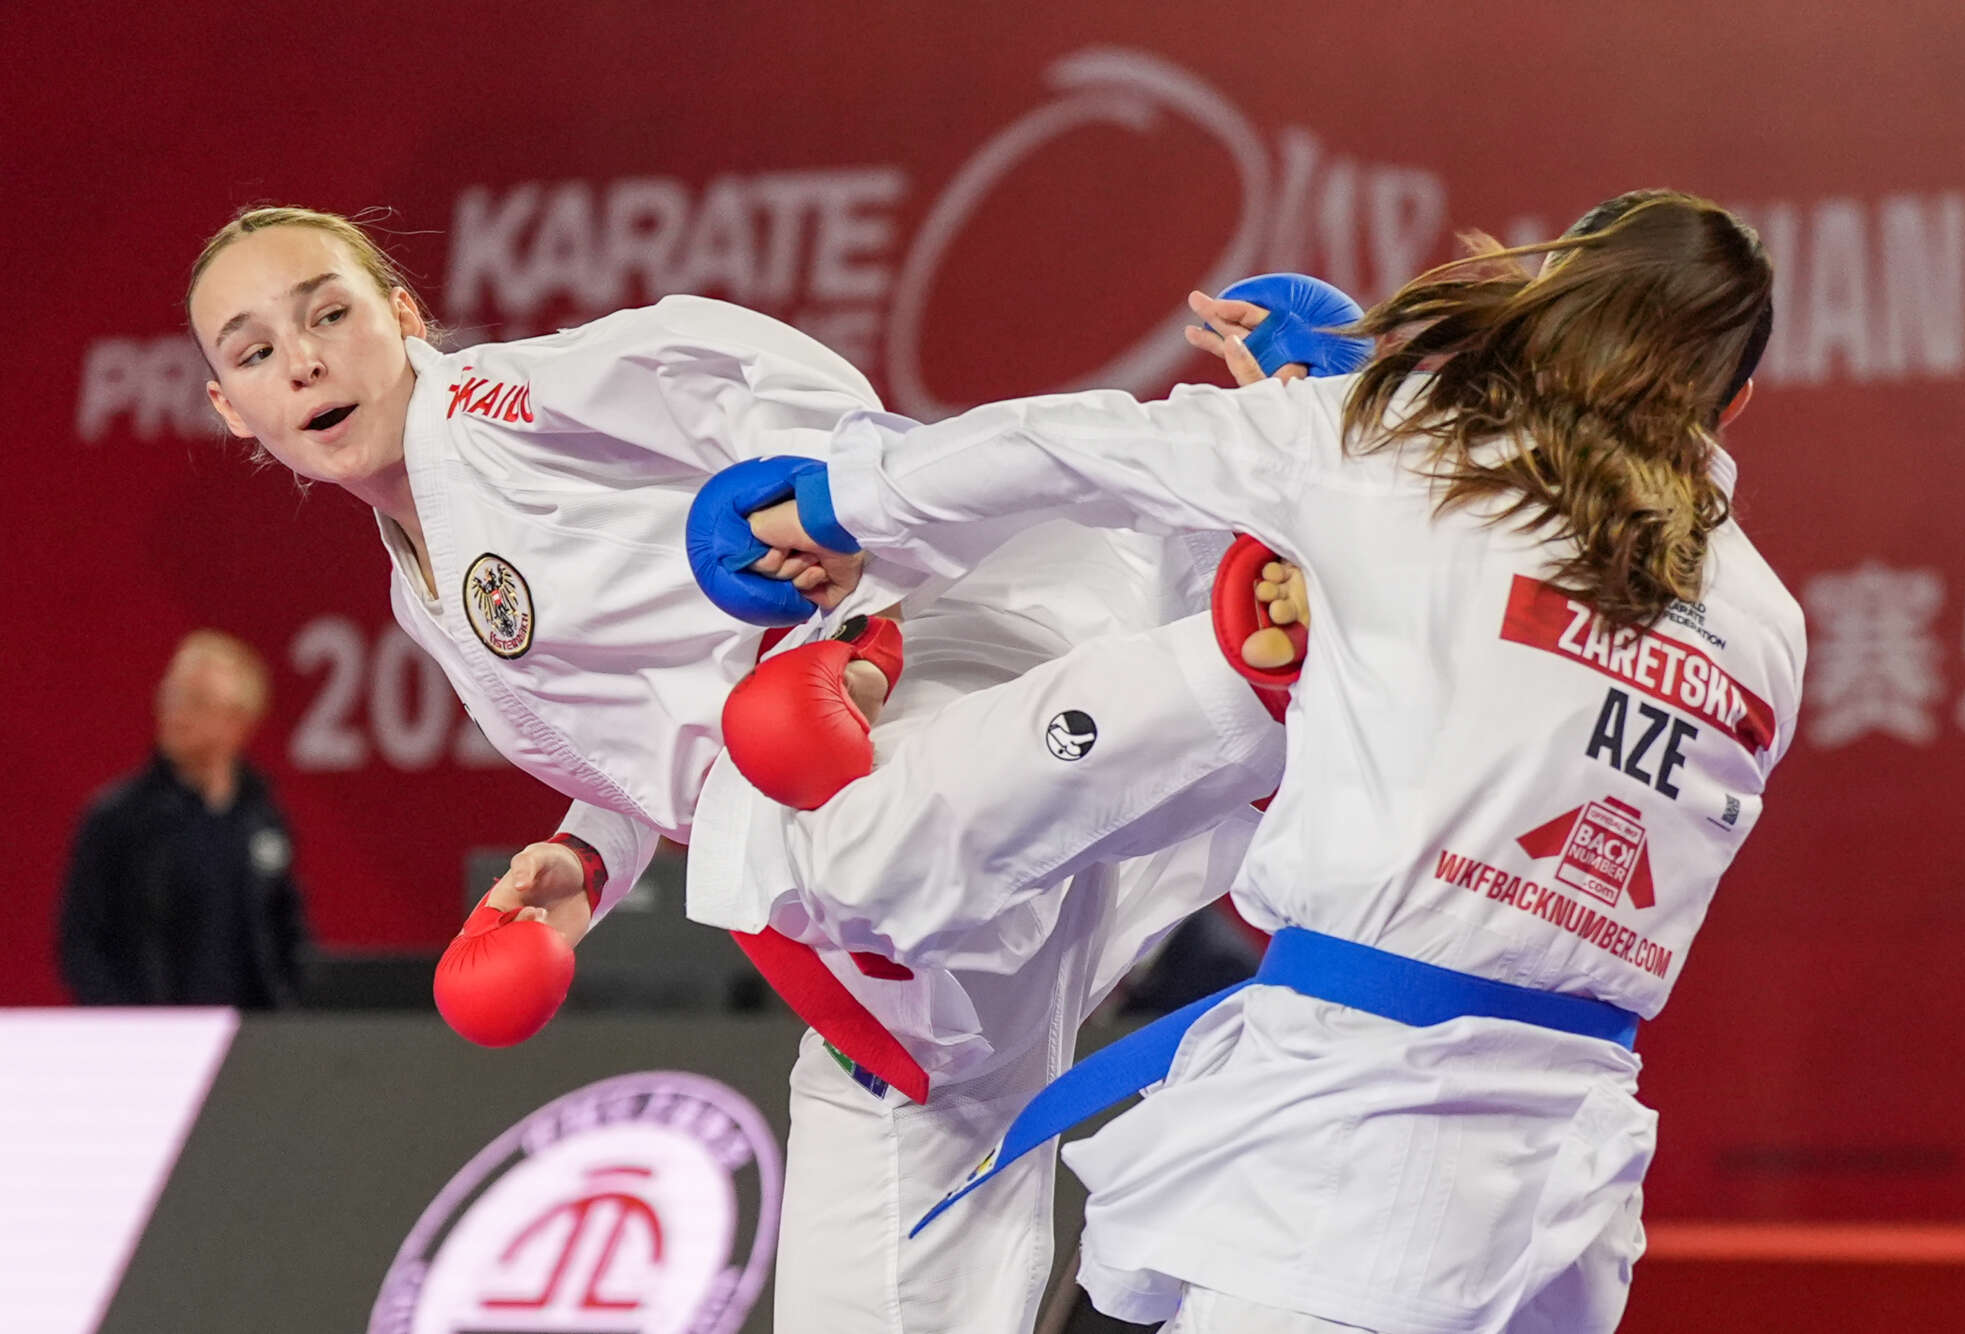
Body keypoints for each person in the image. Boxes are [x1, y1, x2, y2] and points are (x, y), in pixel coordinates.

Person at [184, 205, 1297, 1332]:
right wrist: (588, 858)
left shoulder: (504, 406)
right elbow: (665, 739)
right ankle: (1252, 636)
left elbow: (724, 371)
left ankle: (1260, 654)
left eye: (330, 314)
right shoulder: (416, 590)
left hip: (936, 685)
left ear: (404, 316)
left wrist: (838, 519)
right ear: (232, 408)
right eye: (256, 352)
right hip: (896, 932)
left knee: (831, 837)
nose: (305, 360)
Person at [735, 190, 1806, 1333]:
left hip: (1352, 1151)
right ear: (1733, 402)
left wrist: (838, 500)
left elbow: (1071, 447)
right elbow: (1496, 668)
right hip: (1565, 1174)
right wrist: (1315, 445)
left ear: (1546, 310)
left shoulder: (1403, 448)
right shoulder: (1766, 626)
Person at [58, 630, 309, 1007]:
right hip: (150, 1034)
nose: (176, 714)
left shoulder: (261, 818)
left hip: (250, 1032)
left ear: (238, 721)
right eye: (171, 697)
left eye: (197, 702)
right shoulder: (119, 819)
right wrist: (126, 1023)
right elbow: (82, 944)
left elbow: (285, 931)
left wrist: (287, 1012)